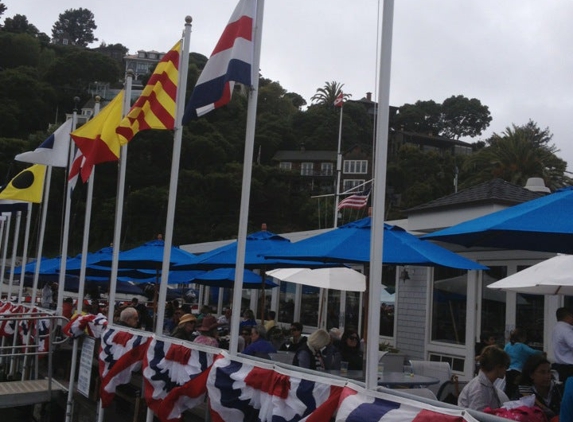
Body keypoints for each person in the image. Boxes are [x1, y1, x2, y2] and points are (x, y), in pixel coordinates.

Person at [458, 345, 510, 411]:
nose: (506, 370)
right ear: (498, 367)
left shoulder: (486, 385)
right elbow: (477, 417)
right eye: (506, 366)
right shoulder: (479, 390)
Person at [517, 354, 563, 421]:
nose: (547, 376)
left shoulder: (560, 389)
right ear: (531, 375)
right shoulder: (523, 393)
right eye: (542, 372)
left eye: (549, 371)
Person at [504, 327, 543, 399]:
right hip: (518, 371)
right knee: (517, 389)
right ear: (521, 337)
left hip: (508, 371)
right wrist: (543, 353)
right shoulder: (522, 346)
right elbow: (534, 352)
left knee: (508, 389)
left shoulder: (508, 345)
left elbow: (503, 354)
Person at [551, 307, 573, 383]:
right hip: (569, 368)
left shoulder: (557, 328)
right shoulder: (566, 330)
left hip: (560, 365)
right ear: (568, 316)